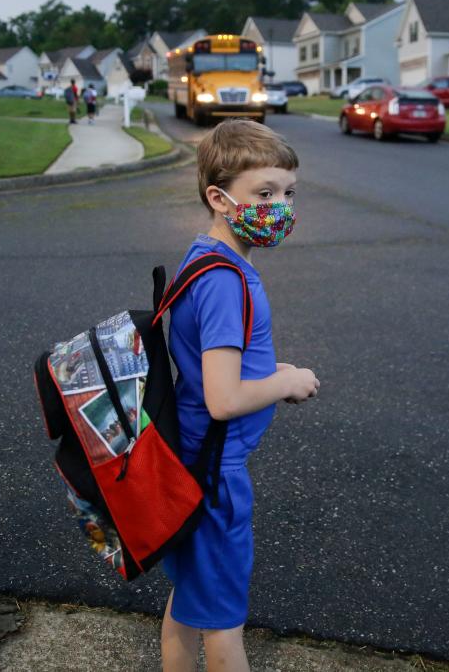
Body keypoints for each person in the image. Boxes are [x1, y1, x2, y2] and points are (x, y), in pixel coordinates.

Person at [160, 120, 319, 672]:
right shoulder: (226, 280)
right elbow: (223, 398)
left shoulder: (205, 256)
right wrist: (286, 382)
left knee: (188, 600)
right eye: (265, 194)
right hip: (214, 474)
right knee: (224, 626)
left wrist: (271, 368)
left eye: (288, 193)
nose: (280, 206)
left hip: (190, 456)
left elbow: (217, 362)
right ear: (219, 198)